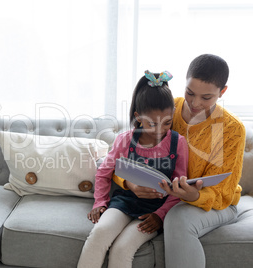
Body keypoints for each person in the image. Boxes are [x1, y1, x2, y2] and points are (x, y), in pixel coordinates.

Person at [118, 54, 246, 268]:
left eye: (206, 98)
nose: (195, 103)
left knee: (178, 219)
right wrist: (129, 183)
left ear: (222, 92)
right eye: (190, 93)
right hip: (167, 198)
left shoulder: (232, 130)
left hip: (218, 204)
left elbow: (223, 192)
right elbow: (123, 159)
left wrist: (194, 195)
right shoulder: (166, 109)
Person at [77, 71, 189, 268]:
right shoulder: (125, 140)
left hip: (154, 211)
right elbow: (104, 172)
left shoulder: (178, 143)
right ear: (138, 117)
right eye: (151, 123)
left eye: (167, 122)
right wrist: (100, 202)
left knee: (122, 249)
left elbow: (180, 187)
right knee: (99, 234)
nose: (159, 130)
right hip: (124, 202)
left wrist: (160, 215)